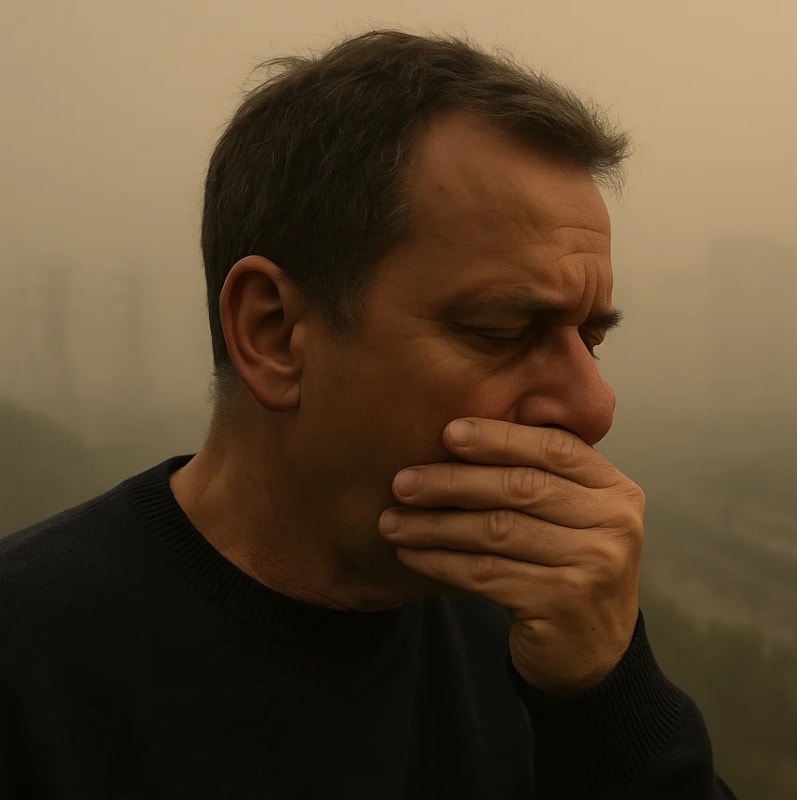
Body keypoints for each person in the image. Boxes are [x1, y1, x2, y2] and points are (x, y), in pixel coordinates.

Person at [0, 29, 736, 800]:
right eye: (500, 331)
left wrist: (610, 695)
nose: (594, 404)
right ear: (274, 334)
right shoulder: (28, 665)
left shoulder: (536, 644)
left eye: (590, 339)